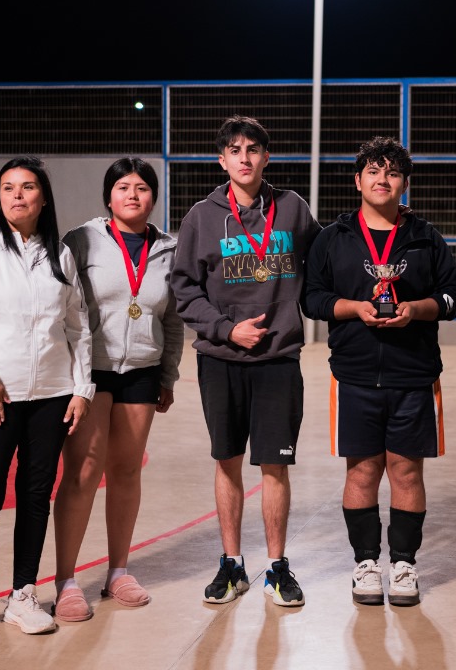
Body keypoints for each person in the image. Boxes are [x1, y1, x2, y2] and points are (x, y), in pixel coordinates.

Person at [302, 136, 456, 607]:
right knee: (362, 471)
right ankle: (366, 563)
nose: (382, 180)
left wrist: (416, 309)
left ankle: (405, 564)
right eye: (373, 171)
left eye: (392, 172)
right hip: (354, 375)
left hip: (413, 374)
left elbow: (454, 298)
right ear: (358, 180)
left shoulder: (425, 237)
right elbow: (312, 299)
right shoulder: (333, 238)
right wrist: (355, 308)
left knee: (406, 472)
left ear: (404, 183)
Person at [0, 156, 95, 642]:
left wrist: (82, 387)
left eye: (27, 187)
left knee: (34, 496)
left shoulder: (59, 254)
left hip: (51, 396)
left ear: (43, 198)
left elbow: (78, 326)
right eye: (8, 187)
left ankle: (22, 596)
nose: (17, 195)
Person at [171, 115, 321, 607]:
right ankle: (232, 565)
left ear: (266, 157)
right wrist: (225, 328)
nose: (244, 158)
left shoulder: (292, 208)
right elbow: (184, 289)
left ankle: (277, 568)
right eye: (234, 150)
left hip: (278, 359)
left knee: (275, 466)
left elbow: (324, 261)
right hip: (222, 359)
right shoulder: (202, 217)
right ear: (222, 160)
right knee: (228, 460)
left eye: (253, 149)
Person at [52, 158, 184, 621]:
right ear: (108, 196)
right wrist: (71, 376)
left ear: (154, 198)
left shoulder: (169, 249)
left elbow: (172, 318)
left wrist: (168, 375)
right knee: (83, 472)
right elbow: (63, 308)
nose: (133, 194)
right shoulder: (81, 240)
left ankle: (118, 572)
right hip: (90, 370)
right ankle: (66, 580)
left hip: (142, 370)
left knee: (126, 471)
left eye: (142, 188)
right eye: (123, 187)